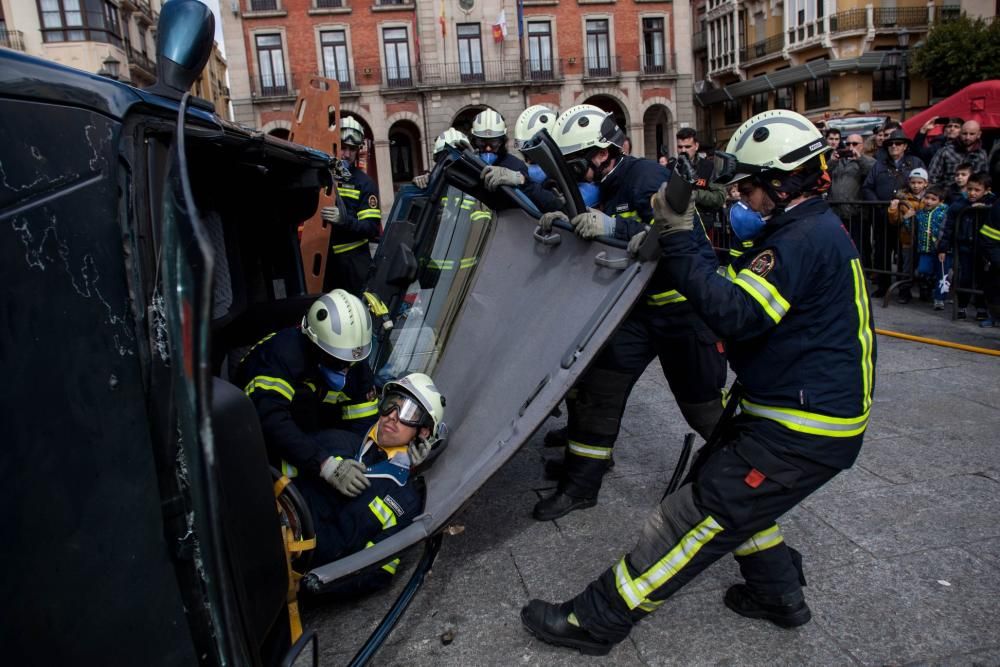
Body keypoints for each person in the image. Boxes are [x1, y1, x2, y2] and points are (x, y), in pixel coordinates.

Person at [521, 109, 876, 656]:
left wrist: (681, 236)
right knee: (729, 493)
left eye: (750, 189)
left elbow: (732, 312)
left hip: (802, 428)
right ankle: (778, 595)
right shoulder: (805, 230)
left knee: (691, 519)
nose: (742, 200)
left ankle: (596, 620)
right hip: (791, 410)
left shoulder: (798, 242)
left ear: (781, 185)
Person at [532, 104, 726, 520]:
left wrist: (614, 229)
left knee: (703, 409)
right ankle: (581, 484)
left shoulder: (646, 178)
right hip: (637, 312)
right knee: (598, 393)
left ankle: (741, 476)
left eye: (576, 162)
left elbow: (672, 234)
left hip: (683, 313)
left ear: (601, 153)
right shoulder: (607, 183)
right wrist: (567, 220)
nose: (572, 171)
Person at [292, 372, 446, 593]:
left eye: (408, 412)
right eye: (391, 404)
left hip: (294, 574)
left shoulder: (405, 498)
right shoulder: (336, 441)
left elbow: (378, 572)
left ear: (422, 432)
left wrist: (314, 587)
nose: (393, 416)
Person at [236, 289, 381, 480]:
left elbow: (365, 421)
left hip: (312, 434)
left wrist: (379, 452)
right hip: (255, 443)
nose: (346, 369)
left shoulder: (352, 360)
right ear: (314, 344)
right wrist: (324, 463)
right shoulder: (281, 356)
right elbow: (271, 421)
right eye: (338, 361)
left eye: (350, 361)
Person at [320, 117, 381, 296]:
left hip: (354, 264)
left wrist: (344, 220)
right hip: (325, 263)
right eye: (342, 147)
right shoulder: (320, 176)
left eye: (352, 149)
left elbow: (371, 228)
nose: (346, 154)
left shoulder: (364, 183)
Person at [862, 129, 925, 298]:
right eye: (890, 144)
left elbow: (924, 185)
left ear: (905, 146)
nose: (894, 146)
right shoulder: (879, 164)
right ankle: (883, 286)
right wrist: (878, 205)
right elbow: (867, 187)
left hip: (906, 217)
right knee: (882, 252)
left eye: (898, 143)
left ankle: (904, 289)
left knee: (905, 254)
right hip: (883, 216)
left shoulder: (915, 162)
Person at [473, 107, 564, 212]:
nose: (488, 148)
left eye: (493, 142)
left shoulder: (516, 166)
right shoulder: (472, 162)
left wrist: (521, 180)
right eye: (482, 143)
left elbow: (552, 204)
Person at [937, 172, 996, 320]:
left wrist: (986, 208)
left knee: (983, 279)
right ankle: (961, 306)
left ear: (987, 190)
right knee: (964, 278)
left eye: (977, 190)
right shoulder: (958, 205)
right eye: (969, 189)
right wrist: (942, 247)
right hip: (964, 248)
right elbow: (947, 227)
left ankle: (981, 308)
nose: (972, 193)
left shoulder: (993, 205)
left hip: (984, 249)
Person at [887, 167, 930, 303]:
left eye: (919, 182)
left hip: (926, 240)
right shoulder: (903, 198)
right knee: (907, 267)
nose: (916, 185)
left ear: (925, 183)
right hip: (907, 239)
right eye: (913, 182)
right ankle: (904, 292)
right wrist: (895, 209)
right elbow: (894, 220)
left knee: (925, 267)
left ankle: (925, 291)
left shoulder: (930, 198)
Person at [828, 133, 875, 251]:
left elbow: (872, 173)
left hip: (857, 213)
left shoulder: (869, 160)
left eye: (855, 144)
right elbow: (823, 175)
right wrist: (832, 161)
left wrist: (859, 159)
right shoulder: (838, 161)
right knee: (839, 247)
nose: (851, 147)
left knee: (859, 248)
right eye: (848, 144)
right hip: (836, 212)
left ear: (862, 146)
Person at [908, 185, 950, 308]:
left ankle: (939, 299)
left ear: (941, 201)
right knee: (923, 270)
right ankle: (930, 285)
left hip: (939, 250)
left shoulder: (944, 213)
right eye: (927, 198)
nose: (928, 201)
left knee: (942, 275)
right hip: (924, 249)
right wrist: (907, 218)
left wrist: (939, 240)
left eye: (933, 199)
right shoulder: (920, 214)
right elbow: (912, 228)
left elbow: (947, 230)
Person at [929, 120, 988, 190]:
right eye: (964, 134)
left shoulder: (981, 154)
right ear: (959, 133)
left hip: (972, 195)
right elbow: (932, 177)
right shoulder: (946, 151)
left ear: (979, 134)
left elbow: (984, 180)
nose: (967, 137)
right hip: (947, 194)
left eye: (972, 134)